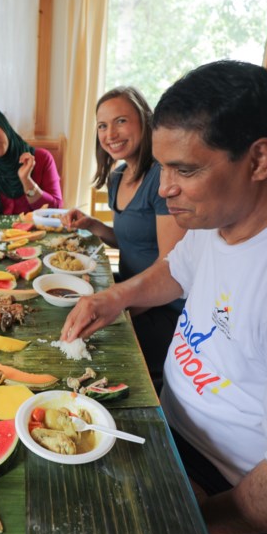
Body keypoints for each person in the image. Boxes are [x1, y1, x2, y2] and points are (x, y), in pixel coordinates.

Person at [61, 61, 267, 534]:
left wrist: (188, 522)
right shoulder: (218, 218)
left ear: (257, 160)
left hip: (230, 486)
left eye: (184, 169)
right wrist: (115, 296)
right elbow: (177, 269)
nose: (165, 187)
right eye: (163, 165)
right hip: (171, 428)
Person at [61, 87, 186, 388]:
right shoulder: (118, 176)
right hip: (130, 291)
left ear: (145, 121)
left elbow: (173, 269)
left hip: (163, 309)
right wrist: (93, 225)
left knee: (85, 347)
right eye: (102, 126)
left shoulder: (160, 178)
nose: (110, 133)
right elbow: (129, 241)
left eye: (120, 121)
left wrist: (119, 307)